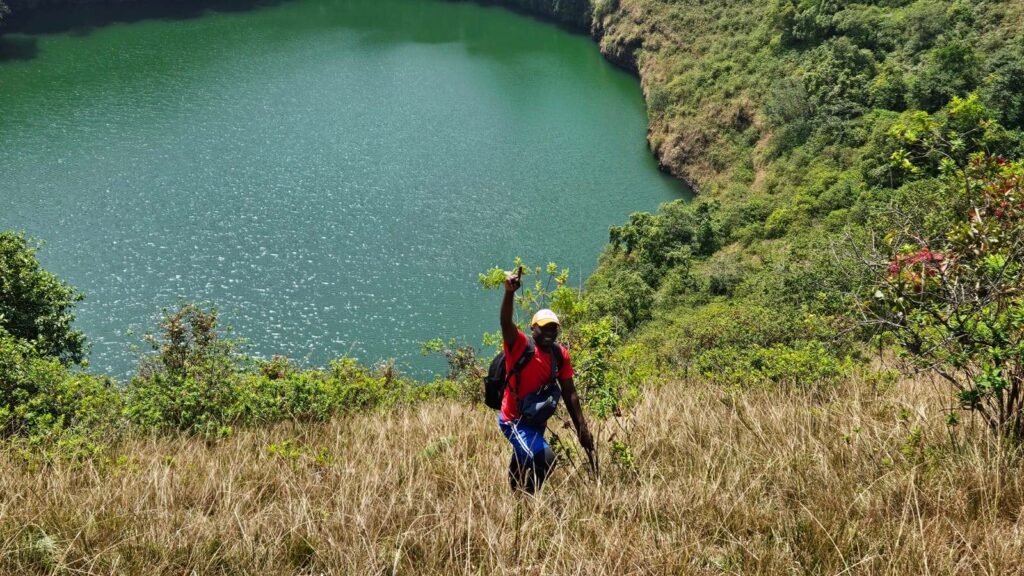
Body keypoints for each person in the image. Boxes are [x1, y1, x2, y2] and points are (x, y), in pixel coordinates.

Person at [499, 270, 593, 493]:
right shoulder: (519, 345)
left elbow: (570, 393)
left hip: (536, 421)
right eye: (544, 326)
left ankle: (516, 498)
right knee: (546, 458)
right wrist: (509, 293)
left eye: (554, 328)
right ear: (533, 328)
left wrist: (582, 428)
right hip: (514, 420)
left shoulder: (560, 355)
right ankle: (529, 498)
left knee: (522, 463)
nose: (550, 331)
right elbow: (505, 322)